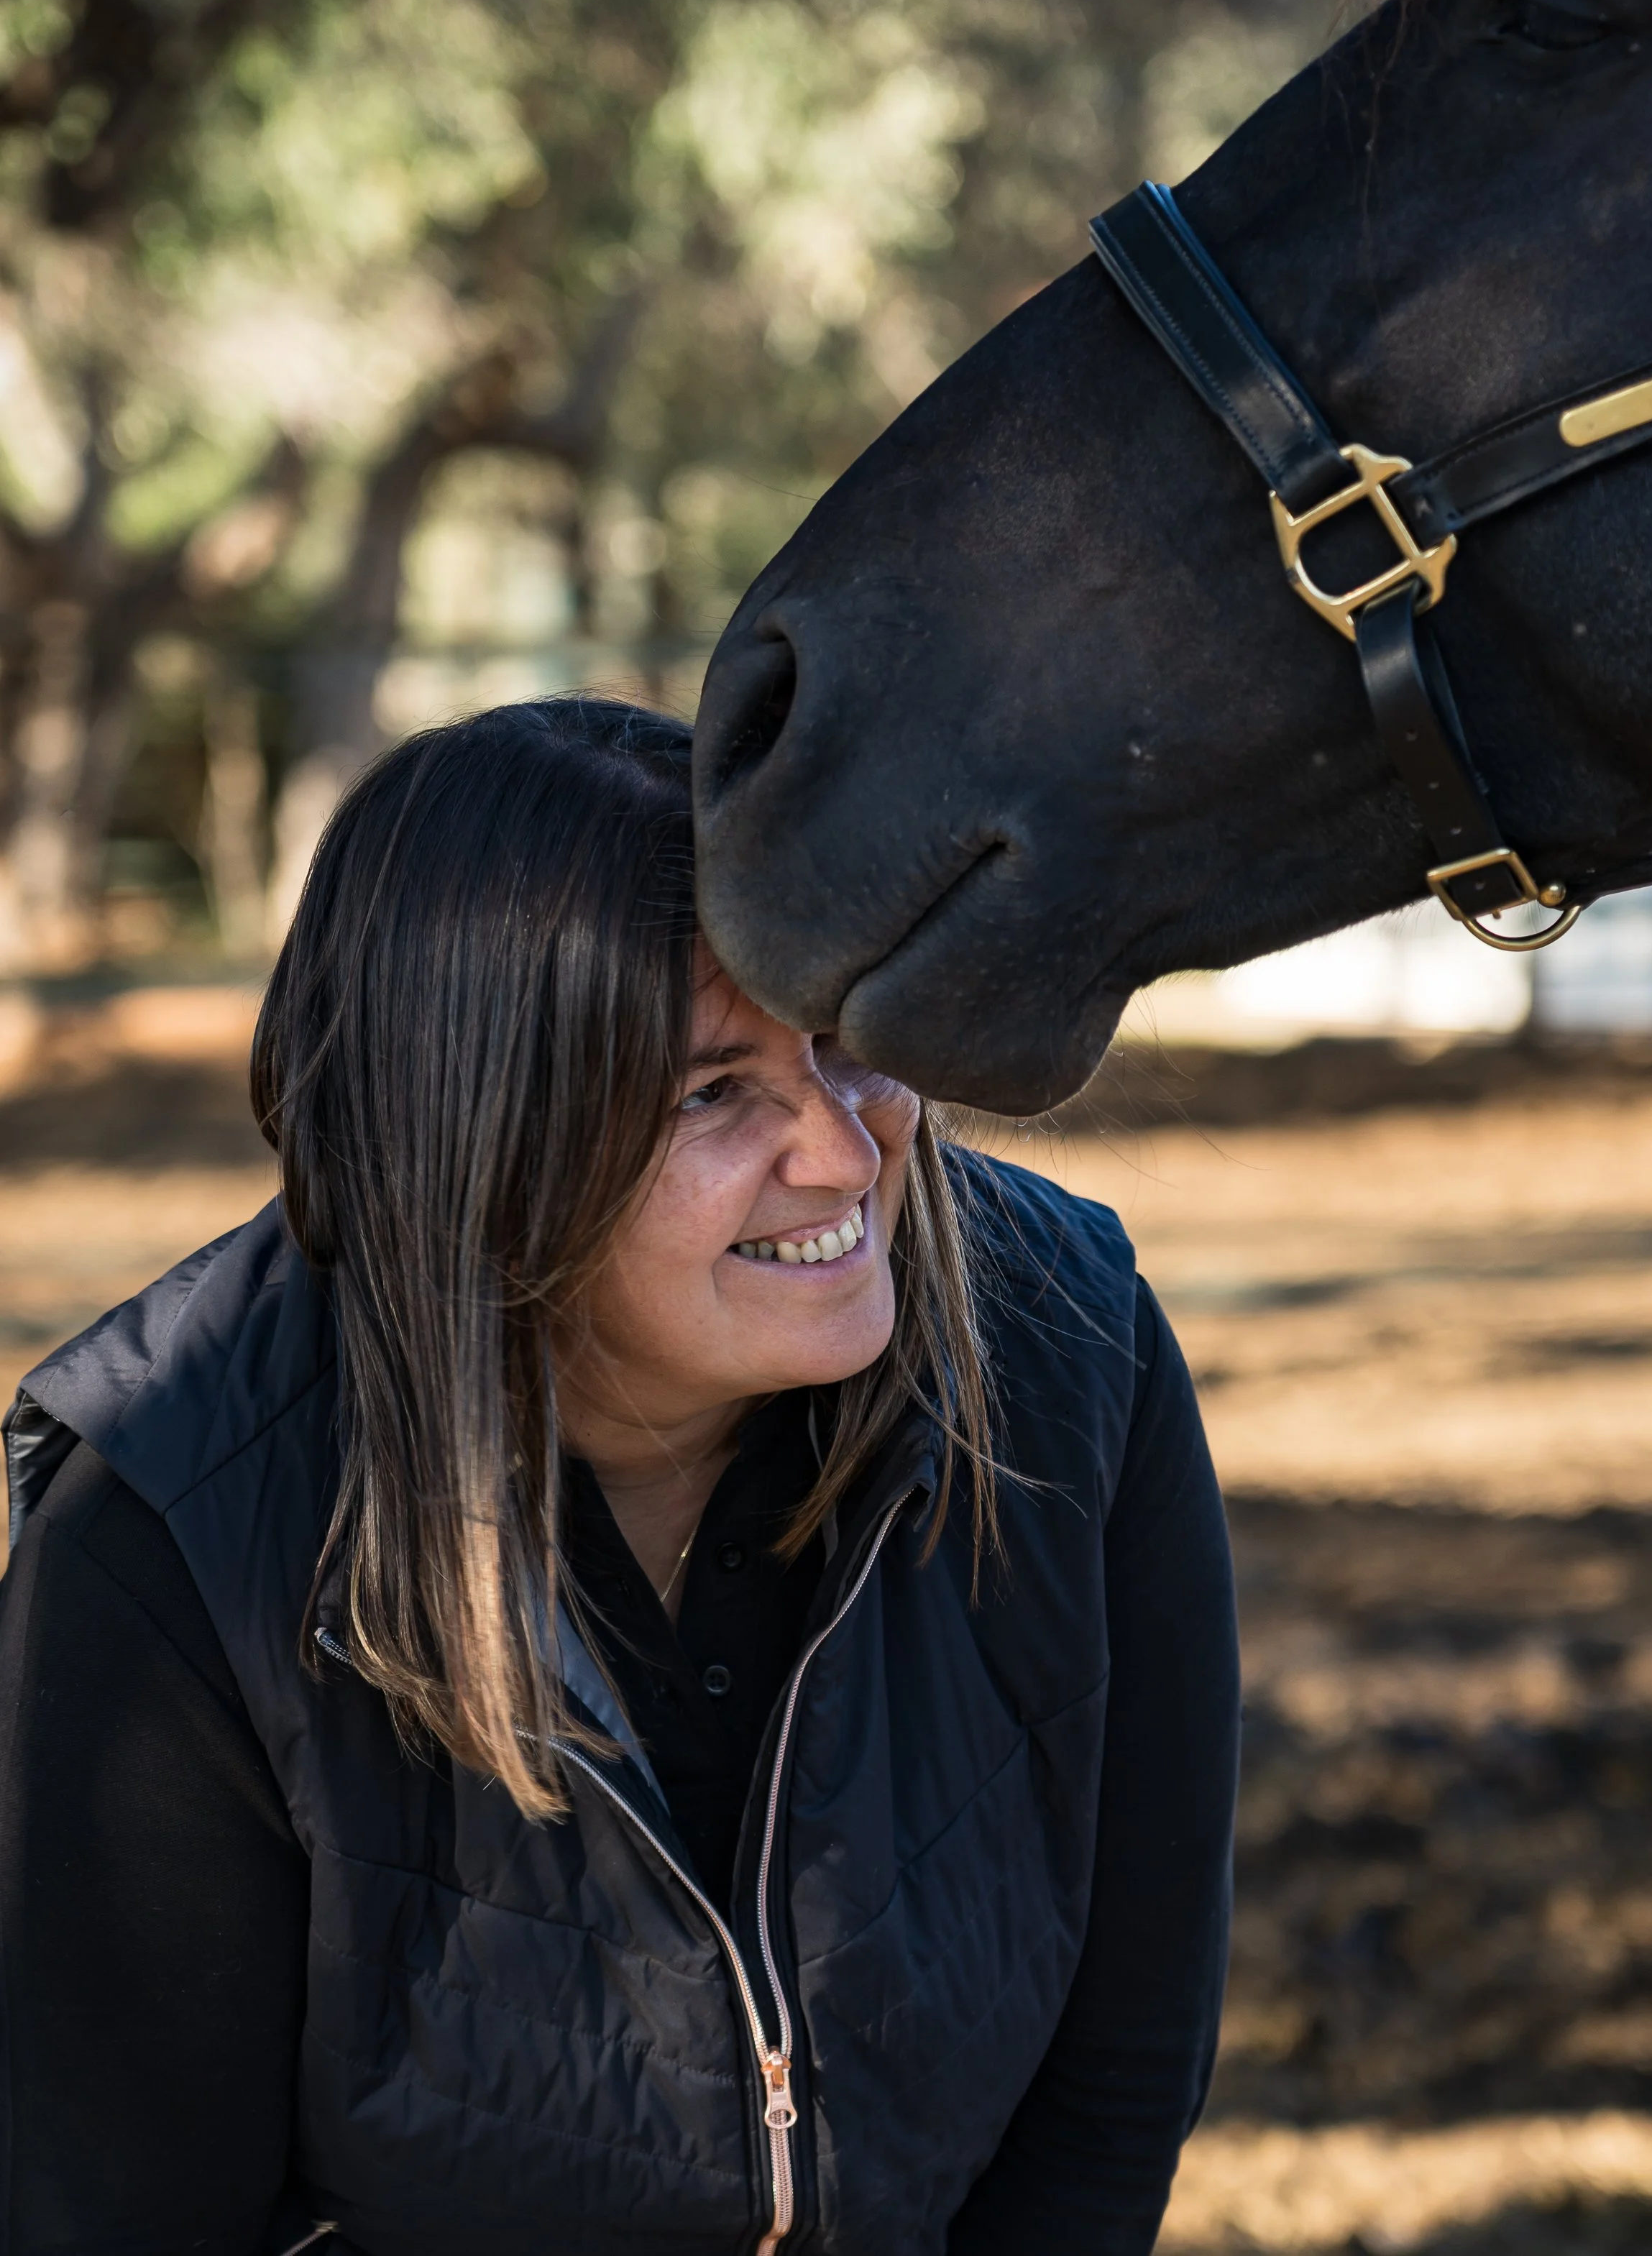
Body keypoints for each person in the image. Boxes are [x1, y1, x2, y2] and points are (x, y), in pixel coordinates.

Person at [0, 697, 1238, 2256]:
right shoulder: (172, 1541)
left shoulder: (1071, 1360)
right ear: (481, 1150)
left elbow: (1110, 2095)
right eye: (713, 1093)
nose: (849, 1156)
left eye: (845, 1037)